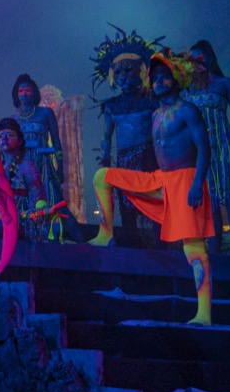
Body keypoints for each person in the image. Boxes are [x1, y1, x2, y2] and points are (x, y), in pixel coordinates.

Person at [90, 52, 213, 326]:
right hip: (160, 180)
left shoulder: (187, 110)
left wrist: (196, 185)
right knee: (102, 176)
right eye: (154, 78)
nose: (157, 82)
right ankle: (104, 233)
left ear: (176, 79)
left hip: (185, 181)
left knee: (193, 249)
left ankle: (204, 313)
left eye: (163, 77)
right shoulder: (156, 113)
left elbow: (205, 149)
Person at [93, 28, 161, 247]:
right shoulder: (112, 106)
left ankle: (163, 249)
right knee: (127, 206)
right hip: (124, 159)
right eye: (119, 73)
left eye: (129, 71)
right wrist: (104, 158)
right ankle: (132, 250)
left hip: (149, 157)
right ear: (113, 74)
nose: (124, 77)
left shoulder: (151, 100)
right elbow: (106, 134)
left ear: (141, 71)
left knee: (155, 203)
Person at [185, 39, 230, 255]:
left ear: (210, 58)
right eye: (191, 60)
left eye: (198, 58)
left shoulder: (226, 83)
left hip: (224, 145)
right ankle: (214, 249)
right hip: (201, 150)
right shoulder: (189, 89)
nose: (195, 63)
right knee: (209, 199)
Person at [11, 74, 65, 206]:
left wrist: (60, 167)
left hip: (43, 166)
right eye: (20, 91)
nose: (24, 94)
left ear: (34, 93)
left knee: (49, 202)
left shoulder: (46, 113)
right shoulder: (14, 119)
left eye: (27, 90)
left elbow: (56, 141)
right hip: (21, 168)